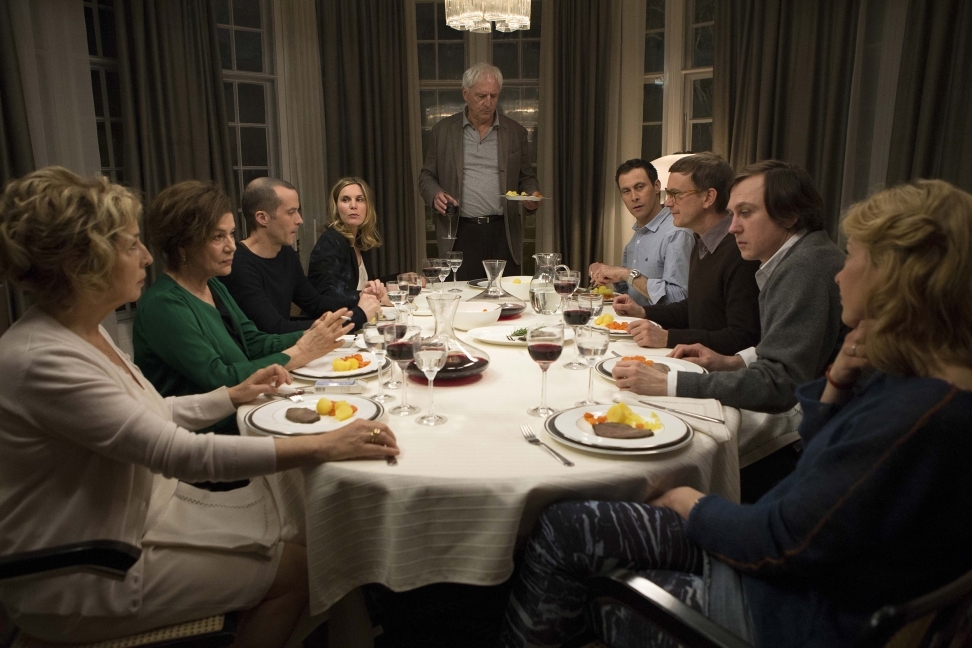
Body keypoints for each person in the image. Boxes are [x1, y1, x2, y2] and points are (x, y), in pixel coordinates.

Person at [499, 178, 972, 648]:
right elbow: (819, 468)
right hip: (788, 573)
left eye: (851, 258)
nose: (838, 274)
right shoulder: (916, 378)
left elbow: (781, 542)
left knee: (565, 537)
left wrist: (692, 502)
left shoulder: (916, 415)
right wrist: (837, 383)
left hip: (769, 611)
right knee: (569, 525)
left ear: (897, 276)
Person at [0, 167, 400, 645]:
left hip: (133, 521)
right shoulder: (44, 359)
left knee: (309, 524)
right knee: (301, 568)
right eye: (130, 244)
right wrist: (323, 445)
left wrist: (233, 394)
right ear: (84, 260)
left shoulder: (80, 331)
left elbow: (154, 413)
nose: (147, 255)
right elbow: (176, 451)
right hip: (84, 569)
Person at [613, 160, 846, 484]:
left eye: (746, 213)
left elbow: (779, 383)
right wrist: (735, 361)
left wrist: (671, 383)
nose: (733, 227)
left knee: (660, 452)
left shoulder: (805, 267)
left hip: (807, 430)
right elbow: (779, 346)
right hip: (801, 404)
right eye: (733, 214)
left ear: (789, 215)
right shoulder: (794, 258)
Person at [134, 180, 349, 436]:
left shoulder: (212, 284)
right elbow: (220, 379)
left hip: (242, 414)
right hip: (203, 438)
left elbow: (253, 341)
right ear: (183, 245)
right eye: (218, 237)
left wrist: (311, 334)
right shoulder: (164, 304)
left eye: (231, 233)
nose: (232, 245)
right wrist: (301, 352)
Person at [614, 153, 761, 354]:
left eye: (676, 194)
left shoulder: (740, 250)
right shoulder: (702, 242)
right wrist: (643, 311)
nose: (668, 203)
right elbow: (693, 308)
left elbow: (742, 338)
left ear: (708, 197)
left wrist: (668, 337)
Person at [418, 62, 540, 279]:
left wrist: (532, 194)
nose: (488, 102)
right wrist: (435, 194)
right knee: (461, 295)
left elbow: (526, 177)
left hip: (503, 232)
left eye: (494, 96)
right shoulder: (443, 131)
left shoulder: (515, 132)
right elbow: (426, 176)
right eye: (481, 96)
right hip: (460, 231)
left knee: (504, 294)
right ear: (465, 94)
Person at [219, 177, 381, 333]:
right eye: (291, 212)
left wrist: (361, 296)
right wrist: (358, 316)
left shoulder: (285, 252)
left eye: (298, 211)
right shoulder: (237, 264)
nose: (299, 220)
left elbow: (315, 303)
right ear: (263, 218)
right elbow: (275, 329)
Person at [589, 159, 693, 307]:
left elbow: (680, 299)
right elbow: (631, 295)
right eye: (626, 191)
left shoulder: (676, 232)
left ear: (657, 186)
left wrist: (627, 274)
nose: (634, 197)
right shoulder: (635, 239)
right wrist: (611, 276)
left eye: (639, 187)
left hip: (660, 322)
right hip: (633, 319)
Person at [308, 177, 396, 310]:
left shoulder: (359, 241)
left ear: (367, 207)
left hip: (358, 316)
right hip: (332, 321)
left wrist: (402, 279)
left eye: (359, 199)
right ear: (336, 207)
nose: (353, 206)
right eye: (345, 200)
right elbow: (327, 296)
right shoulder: (329, 242)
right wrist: (367, 296)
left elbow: (366, 285)